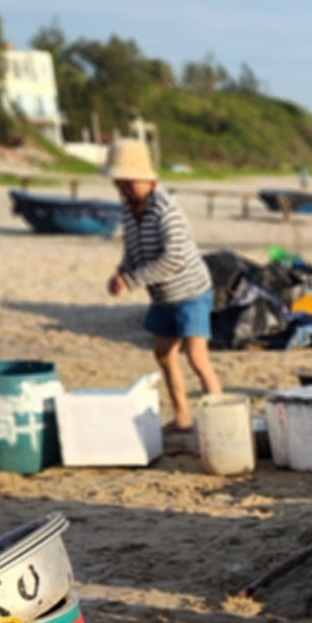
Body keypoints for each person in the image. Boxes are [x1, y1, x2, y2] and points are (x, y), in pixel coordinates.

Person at [104, 137, 222, 433]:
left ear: (147, 179)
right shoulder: (128, 209)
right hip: (162, 296)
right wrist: (121, 272)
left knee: (197, 358)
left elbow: (174, 259)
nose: (126, 189)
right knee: (164, 354)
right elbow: (132, 250)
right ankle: (183, 417)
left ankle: (220, 420)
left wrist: (131, 280)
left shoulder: (165, 208)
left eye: (131, 182)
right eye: (121, 183)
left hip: (191, 292)